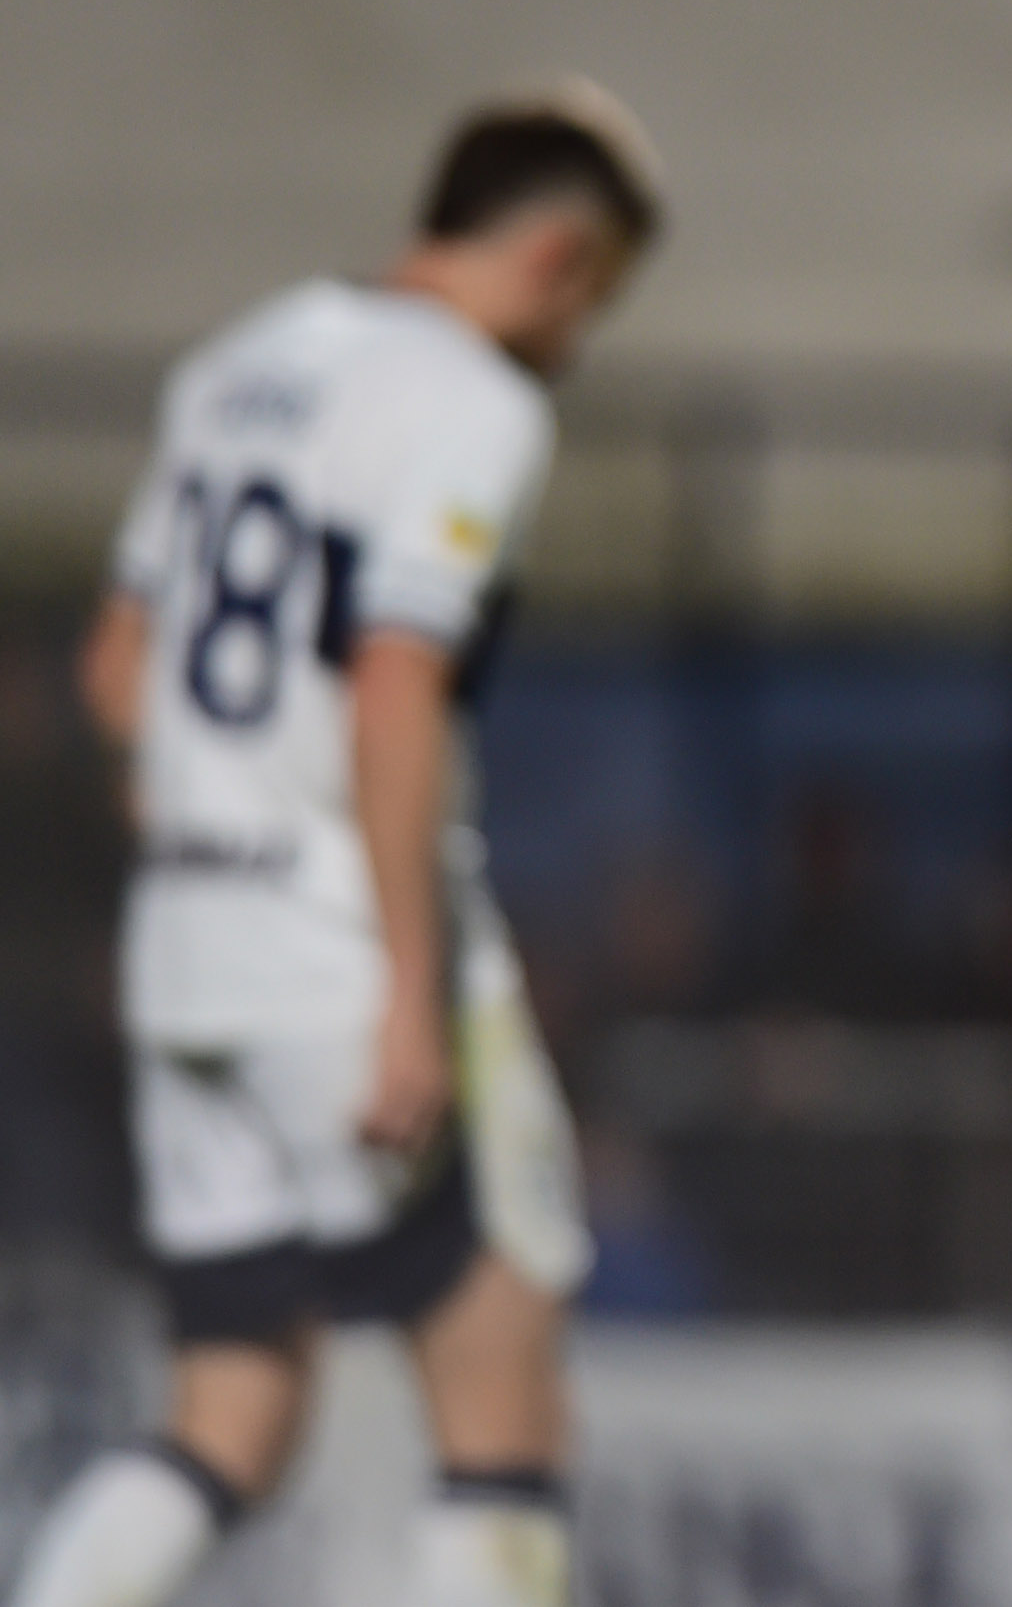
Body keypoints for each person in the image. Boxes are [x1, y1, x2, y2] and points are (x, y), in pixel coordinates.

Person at [12, 87, 661, 1607]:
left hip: (190, 953)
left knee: (229, 1407)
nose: (576, 339)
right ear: (559, 258)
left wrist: (206, 854)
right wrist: (402, 989)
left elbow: (117, 670)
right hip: (336, 949)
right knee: (503, 1398)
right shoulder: (474, 403)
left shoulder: (234, 366)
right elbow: (394, 682)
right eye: (596, 301)